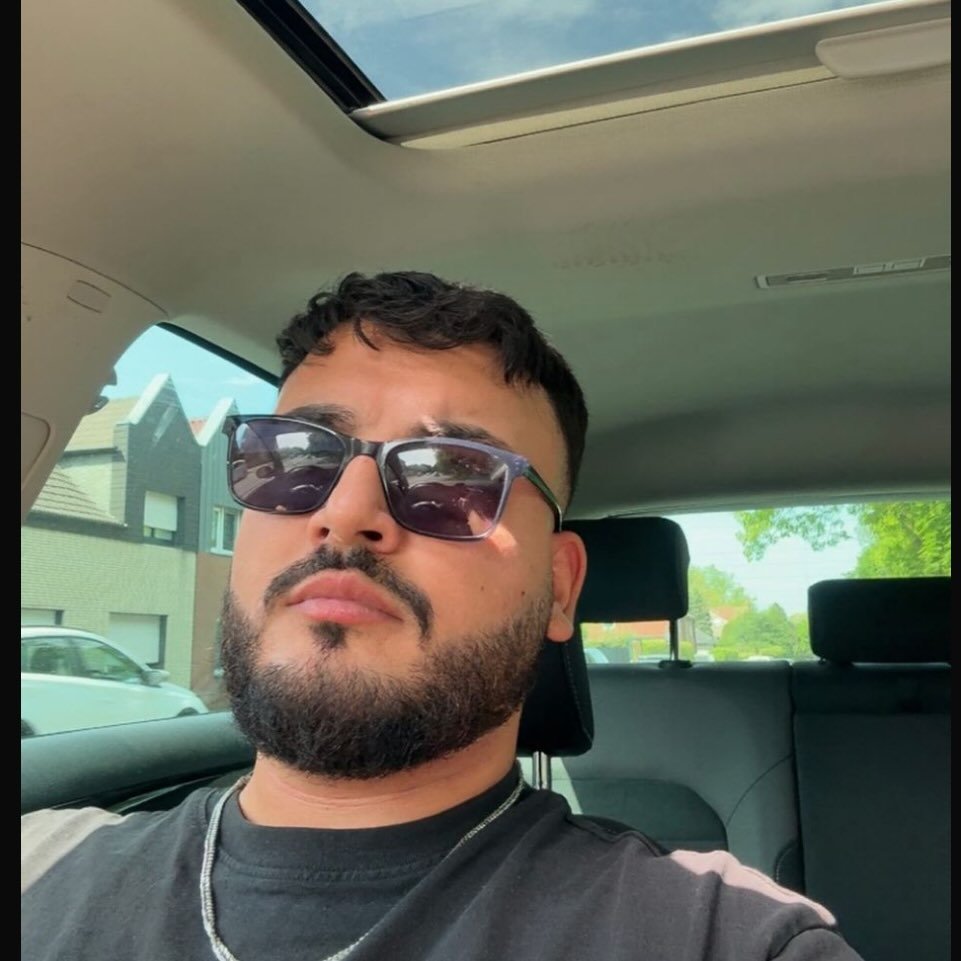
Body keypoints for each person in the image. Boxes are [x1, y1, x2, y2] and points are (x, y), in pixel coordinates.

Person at [21, 271, 863, 960]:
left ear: (559, 589)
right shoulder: (37, 865)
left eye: (449, 476)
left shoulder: (721, 937)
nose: (345, 512)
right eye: (295, 457)